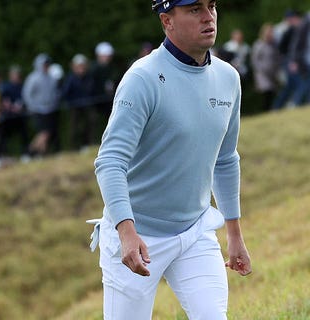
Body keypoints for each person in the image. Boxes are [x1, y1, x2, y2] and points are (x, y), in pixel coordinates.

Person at [89, 1, 252, 319]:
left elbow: (225, 159)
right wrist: (126, 232)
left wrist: (234, 235)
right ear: (167, 21)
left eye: (211, 6)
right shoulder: (142, 78)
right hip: (136, 237)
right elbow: (110, 161)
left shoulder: (228, 77)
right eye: (194, 9)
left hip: (195, 232)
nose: (208, 17)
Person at [22, 53, 59, 157]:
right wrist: (32, 106)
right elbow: (27, 94)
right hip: (37, 110)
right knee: (44, 133)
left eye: (48, 64)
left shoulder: (51, 77)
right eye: (44, 64)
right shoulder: (33, 78)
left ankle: (41, 154)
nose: (46, 66)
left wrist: (54, 103)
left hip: (49, 109)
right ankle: (29, 152)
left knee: (47, 134)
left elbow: (54, 92)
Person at [61, 53, 97, 150]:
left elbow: (92, 90)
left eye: (83, 66)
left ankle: (89, 144)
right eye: (79, 66)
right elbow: (65, 93)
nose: (81, 68)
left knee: (90, 123)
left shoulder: (88, 77)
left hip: (87, 105)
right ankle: (73, 147)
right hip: (74, 106)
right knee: (74, 127)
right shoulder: (70, 78)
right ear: (74, 67)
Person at [0, 65, 30, 160]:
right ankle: (2, 155)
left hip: (20, 115)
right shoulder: (6, 86)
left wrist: (20, 106)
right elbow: (3, 101)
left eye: (17, 74)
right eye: (14, 74)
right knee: (4, 137)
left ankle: (26, 154)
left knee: (24, 135)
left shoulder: (22, 86)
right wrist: (11, 107)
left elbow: (26, 98)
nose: (16, 76)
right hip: (9, 116)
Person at [251, 23, 282, 111]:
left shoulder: (274, 45)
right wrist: (261, 69)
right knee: (267, 92)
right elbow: (255, 60)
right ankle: (265, 110)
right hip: (262, 74)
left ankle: (270, 110)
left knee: (272, 92)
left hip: (272, 73)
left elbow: (278, 57)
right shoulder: (259, 44)